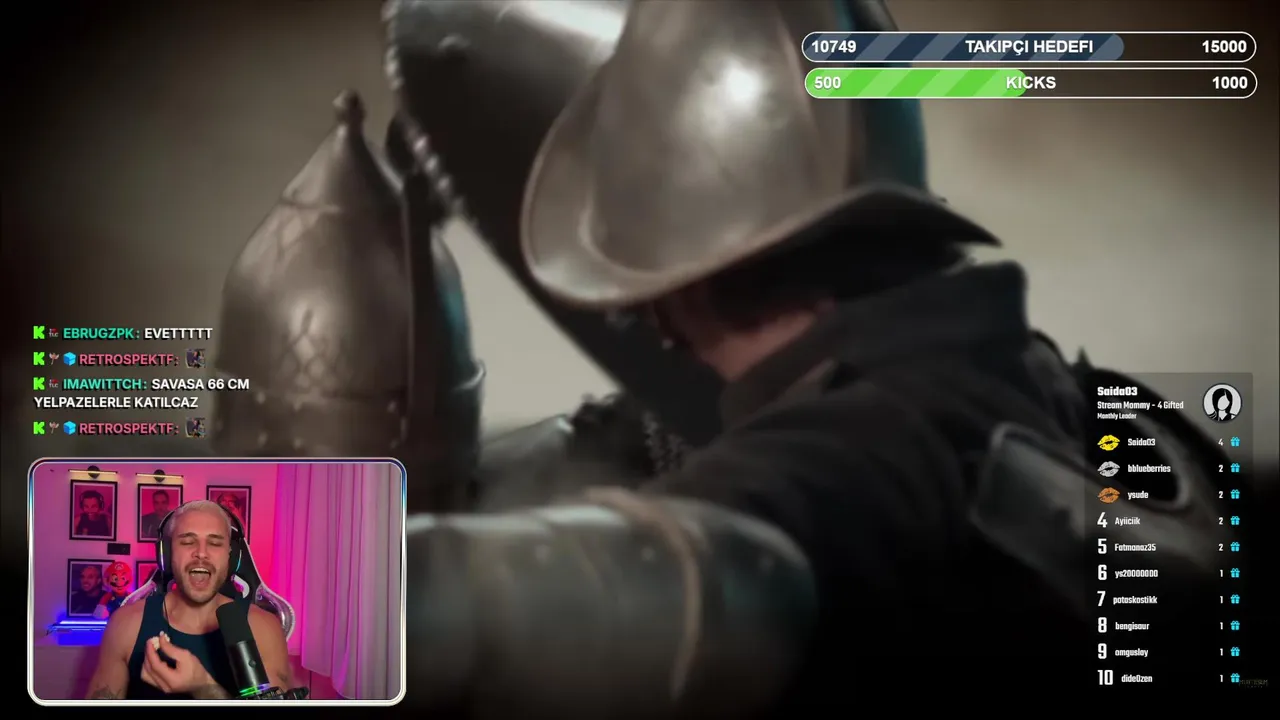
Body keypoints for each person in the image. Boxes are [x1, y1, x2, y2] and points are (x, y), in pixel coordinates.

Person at [403, 0, 1229, 715]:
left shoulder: (858, 458)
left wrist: (320, 573)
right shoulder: (1071, 400)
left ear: (667, 289)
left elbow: (657, 568)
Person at [84, 500, 291, 700]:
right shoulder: (126, 624)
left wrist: (203, 688)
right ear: (167, 554)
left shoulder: (263, 628)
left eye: (215, 543)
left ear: (231, 555)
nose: (201, 553)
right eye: (187, 542)